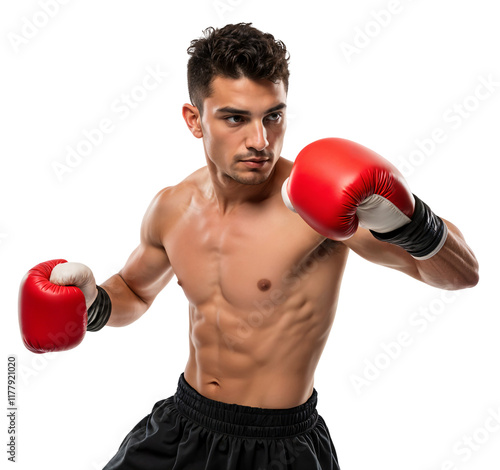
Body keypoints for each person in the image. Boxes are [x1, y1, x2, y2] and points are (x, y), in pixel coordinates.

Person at [18, 23, 479, 469]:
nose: (260, 141)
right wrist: (92, 302)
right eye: (236, 119)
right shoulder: (172, 207)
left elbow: (461, 275)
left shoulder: (317, 208)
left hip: (280, 447)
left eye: (273, 117)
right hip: (184, 423)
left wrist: (407, 219)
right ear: (194, 120)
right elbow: (135, 292)